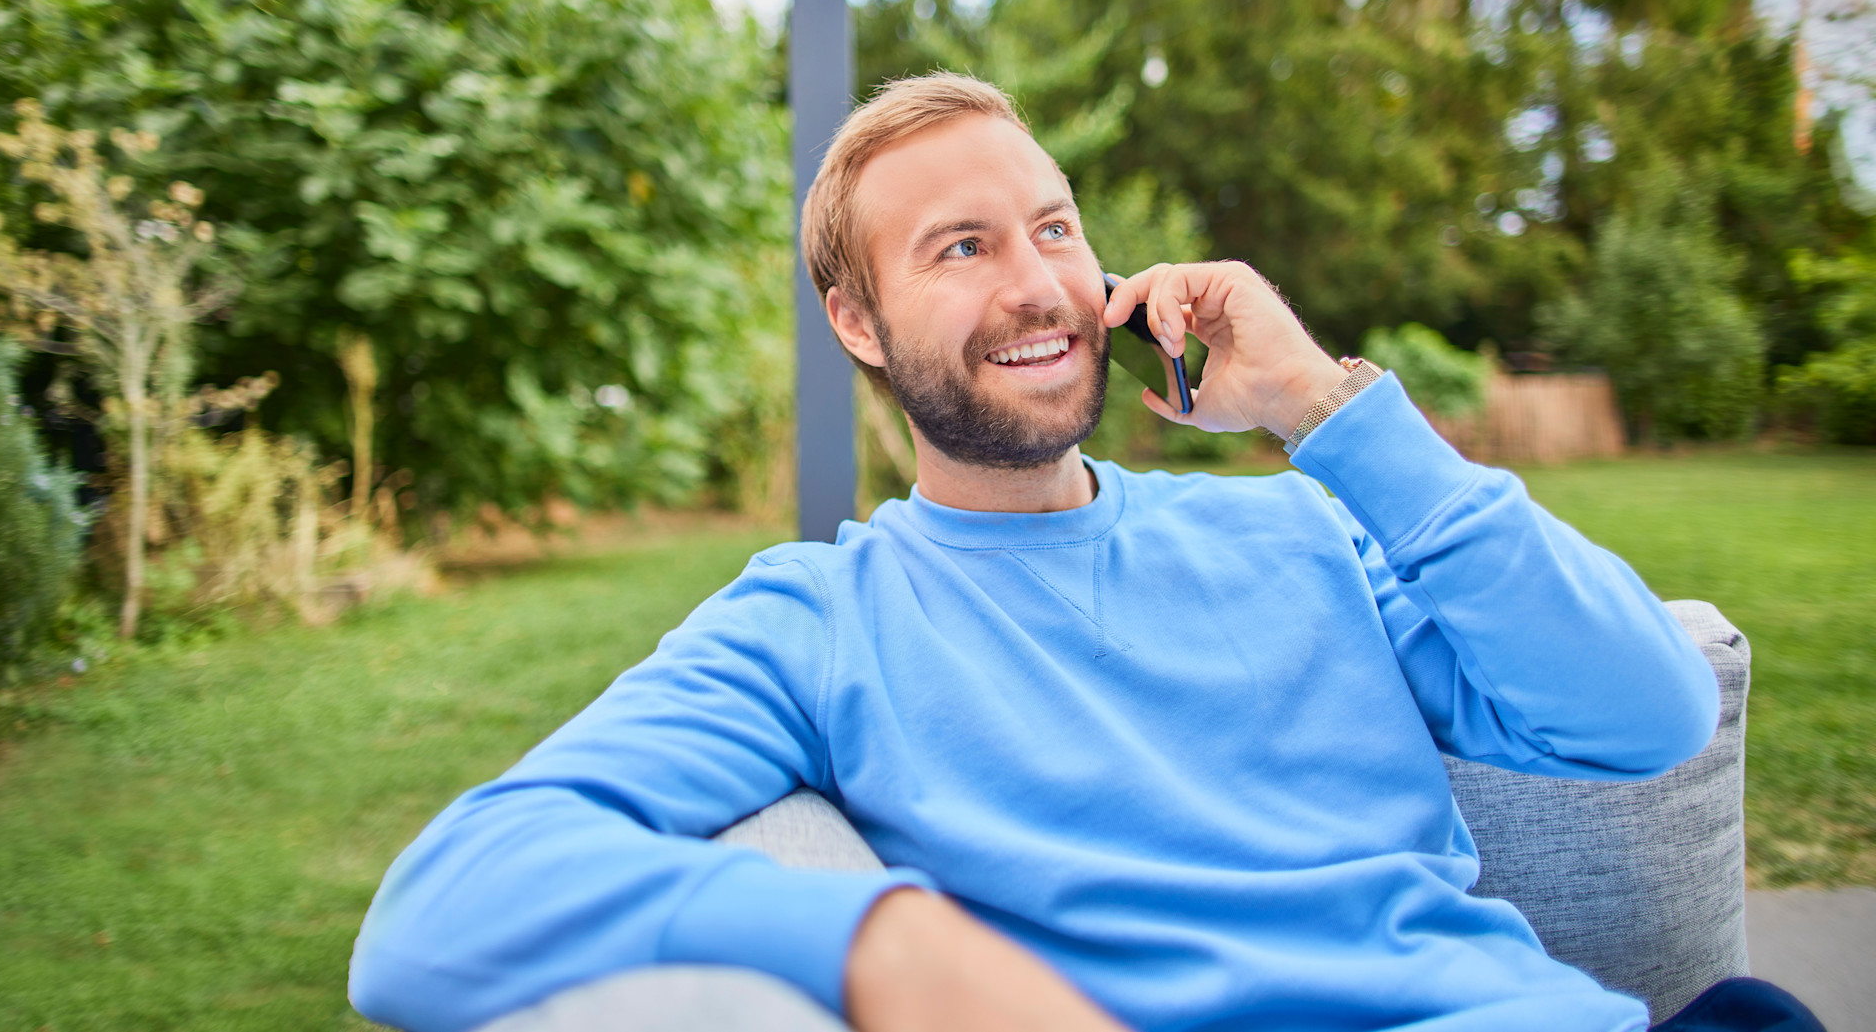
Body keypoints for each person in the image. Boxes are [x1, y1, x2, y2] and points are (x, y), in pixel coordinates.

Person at [349, 73, 1816, 1032]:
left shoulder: (1303, 522)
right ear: (856, 325)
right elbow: (436, 905)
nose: (1039, 279)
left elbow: (1648, 713)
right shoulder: (816, 619)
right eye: (959, 247)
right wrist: (880, 940)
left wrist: (1325, 406)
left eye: (1051, 225)